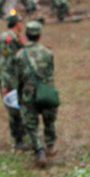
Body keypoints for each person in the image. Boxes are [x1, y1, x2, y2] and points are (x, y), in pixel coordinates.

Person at [13, 20, 57, 168]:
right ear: (40, 35)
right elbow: (50, 73)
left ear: (26, 35)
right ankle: (50, 145)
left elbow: (18, 78)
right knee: (49, 120)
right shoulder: (48, 52)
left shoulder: (20, 55)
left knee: (31, 124)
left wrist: (19, 95)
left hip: (28, 92)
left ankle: (40, 151)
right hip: (45, 91)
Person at [0, 14, 27, 151]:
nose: (22, 24)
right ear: (16, 24)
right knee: (14, 109)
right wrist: (6, 85)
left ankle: (22, 135)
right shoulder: (10, 39)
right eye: (20, 22)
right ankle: (18, 140)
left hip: (15, 77)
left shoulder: (8, 37)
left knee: (20, 106)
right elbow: (8, 63)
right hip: (10, 79)